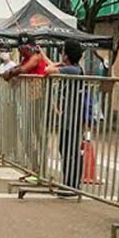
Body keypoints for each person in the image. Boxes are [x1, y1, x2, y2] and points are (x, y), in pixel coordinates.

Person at [44, 40, 87, 192]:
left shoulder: (74, 70)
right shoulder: (72, 68)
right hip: (68, 117)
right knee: (65, 149)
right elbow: (50, 66)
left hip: (72, 118)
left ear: (66, 55)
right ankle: (69, 183)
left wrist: (58, 64)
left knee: (70, 151)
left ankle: (71, 185)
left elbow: (48, 70)